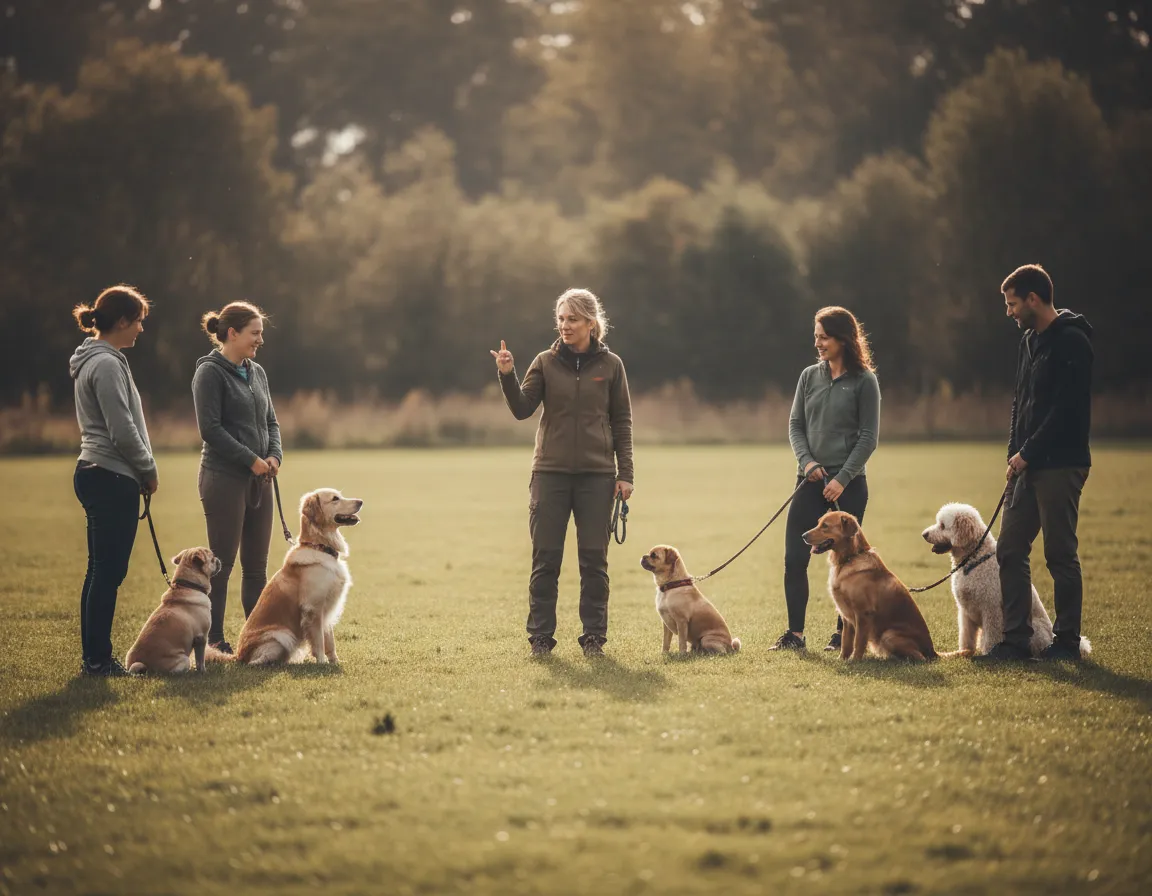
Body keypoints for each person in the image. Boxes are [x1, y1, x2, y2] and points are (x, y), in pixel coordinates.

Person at [490, 288, 634, 658]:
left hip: (598, 477)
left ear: (590, 322)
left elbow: (622, 423)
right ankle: (540, 638)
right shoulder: (544, 362)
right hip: (549, 475)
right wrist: (508, 375)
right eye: (561, 318)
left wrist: (625, 473)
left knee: (594, 563)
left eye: (572, 319)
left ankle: (593, 639)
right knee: (546, 560)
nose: (564, 325)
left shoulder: (612, 366)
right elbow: (522, 409)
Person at [978, 264, 1093, 662]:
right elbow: (1019, 404)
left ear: (1033, 299)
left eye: (1012, 304)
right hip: (1026, 464)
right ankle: (1016, 640)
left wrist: (1028, 453)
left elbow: (1066, 411)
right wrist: (1013, 454)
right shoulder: (1028, 341)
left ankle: (1067, 642)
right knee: (1009, 549)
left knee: (1060, 553)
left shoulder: (1073, 342)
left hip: (1061, 464)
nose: (1009, 312)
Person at [771, 306, 880, 652]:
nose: (817, 342)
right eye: (816, 336)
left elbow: (868, 437)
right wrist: (807, 462)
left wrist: (843, 478)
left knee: (850, 561)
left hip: (848, 486)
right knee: (794, 558)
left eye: (824, 336)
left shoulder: (865, 381)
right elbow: (795, 426)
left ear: (843, 339)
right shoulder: (809, 377)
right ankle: (795, 636)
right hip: (809, 481)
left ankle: (842, 635)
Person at [69, 285, 158, 676]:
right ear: (122, 321)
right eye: (138, 321)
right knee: (108, 572)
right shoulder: (105, 364)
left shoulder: (104, 359)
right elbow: (121, 429)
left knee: (100, 570)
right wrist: (148, 469)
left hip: (100, 472)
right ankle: (98, 660)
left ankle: (94, 658)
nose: (140, 328)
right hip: (109, 473)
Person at [192, 302, 282, 655]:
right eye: (255, 333)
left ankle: (255, 638)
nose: (260, 340)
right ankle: (214, 642)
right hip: (223, 478)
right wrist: (251, 460)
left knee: (257, 568)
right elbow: (210, 429)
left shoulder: (256, 371)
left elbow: (271, 421)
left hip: (261, 480)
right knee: (221, 566)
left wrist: (274, 456)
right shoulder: (209, 373)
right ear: (232, 333)